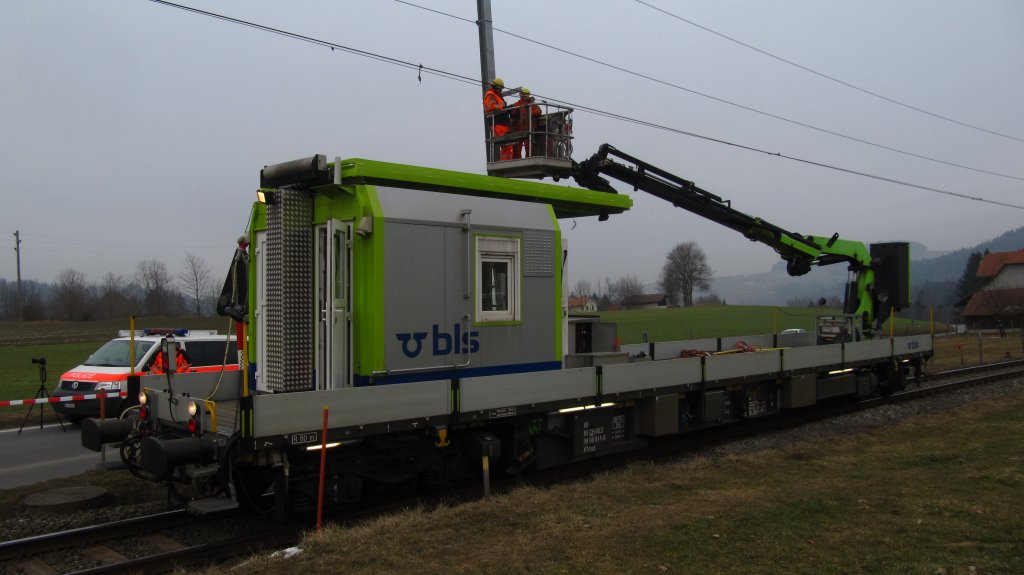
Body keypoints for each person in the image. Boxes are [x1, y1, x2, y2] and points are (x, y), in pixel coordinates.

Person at [483, 78, 512, 161]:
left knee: (507, 145)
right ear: (497, 87)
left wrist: (507, 108)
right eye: (501, 88)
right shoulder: (490, 94)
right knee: (505, 144)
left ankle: (507, 161)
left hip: (501, 122)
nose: (501, 90)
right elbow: (490, 107)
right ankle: (505, 162)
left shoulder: (496, 95)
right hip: (497, 122)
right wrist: (503, 107)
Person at [511, 87, 542, 158]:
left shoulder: (532, 104)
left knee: (529, 147)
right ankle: (517, 159)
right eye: (522, 94)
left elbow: (538, 111)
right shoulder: (517, 104)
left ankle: (528, 158)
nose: (523, 96)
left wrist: (528, 113)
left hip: (528, 129)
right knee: (517, 148)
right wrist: (516, 112)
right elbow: (512, 114)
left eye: (524, 94)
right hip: (519, 129)